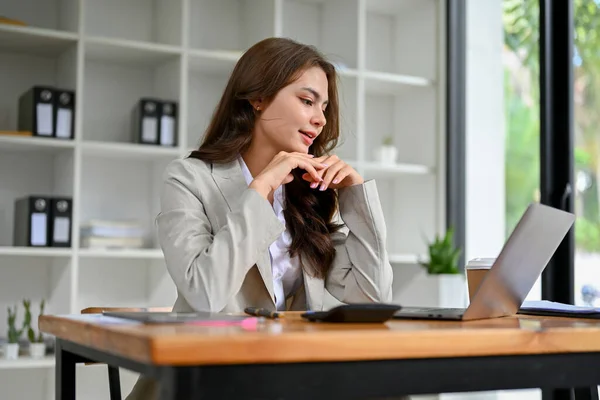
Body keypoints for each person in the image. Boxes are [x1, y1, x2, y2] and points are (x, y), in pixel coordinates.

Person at [125, 37, 394, 400]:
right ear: (259, 98)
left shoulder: (307, 193)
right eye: (307, 100)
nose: (320, 118)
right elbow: (206, 292)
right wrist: (261, 189)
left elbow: (372, 295)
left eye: (325, 107)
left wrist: (355, 195)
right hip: (206, 380)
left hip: (284, 378)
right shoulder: (188, 178)